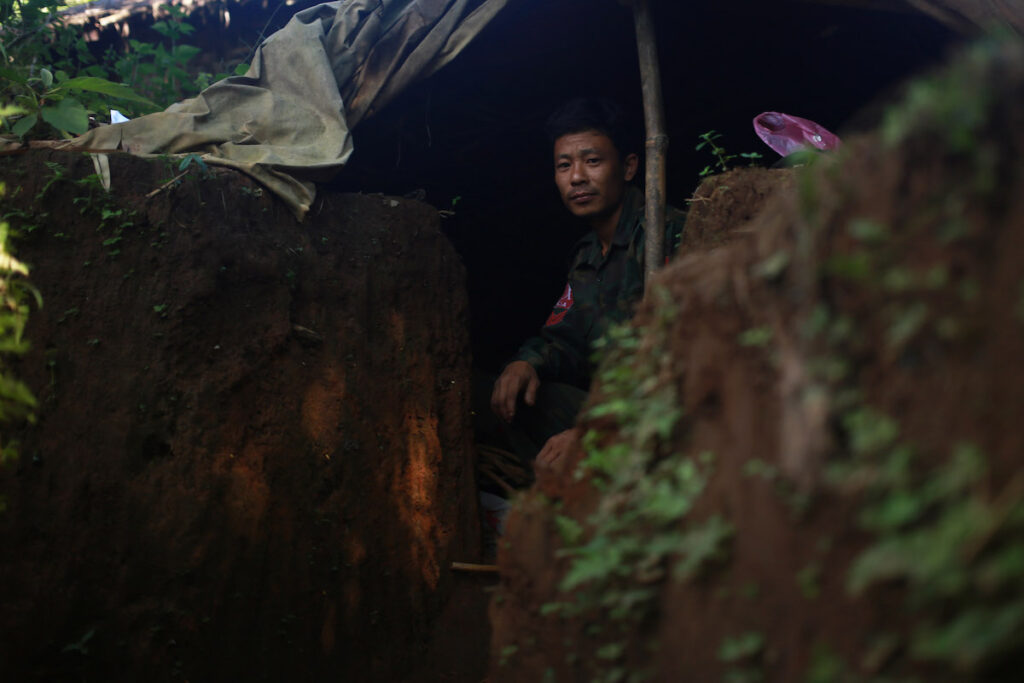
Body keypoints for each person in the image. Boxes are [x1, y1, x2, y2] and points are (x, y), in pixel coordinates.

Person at [481, 98, 685, 478]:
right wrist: (527, 362)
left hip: (662, 418)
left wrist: (595, 434)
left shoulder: (669, 237)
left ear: (628, 167)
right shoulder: (586, 257)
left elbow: (690, 363)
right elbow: (565, 338)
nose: (576, 177)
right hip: (607, 410)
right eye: (564, 165)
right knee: (491, 394)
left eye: (592, 161)